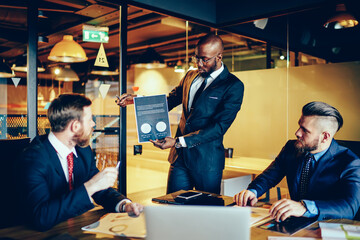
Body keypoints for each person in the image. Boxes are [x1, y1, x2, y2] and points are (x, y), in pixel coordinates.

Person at [116, 33, 244, 194]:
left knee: (207, 212)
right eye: (196, 58)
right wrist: (137, 100)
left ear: (219, 57)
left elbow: (218, 127)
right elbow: (169, 100)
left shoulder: (233, 85)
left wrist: (178, 141)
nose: (199, 63)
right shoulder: (190, 76)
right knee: (173, 206)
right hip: (179, 159)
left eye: (204, 59)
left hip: (207, 162)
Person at [17, 93, 143, 231]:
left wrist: (124, 205)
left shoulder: (83, 151)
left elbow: (100, 190)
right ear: (75, 126)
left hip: (73, 229)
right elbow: (41, 217)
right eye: (90, 119)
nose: (93, 124)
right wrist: (90, 186)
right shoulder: (34, 158)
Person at [234, 101, 360, 221]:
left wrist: (305, 207)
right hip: (294, 224)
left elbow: (349, 207)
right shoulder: (291, 148)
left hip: (327, 227)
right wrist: (252, 191)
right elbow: (269, 177)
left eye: (305, 130)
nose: (297, 133)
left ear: (325, 137)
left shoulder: (350, 162)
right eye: (299, 126)